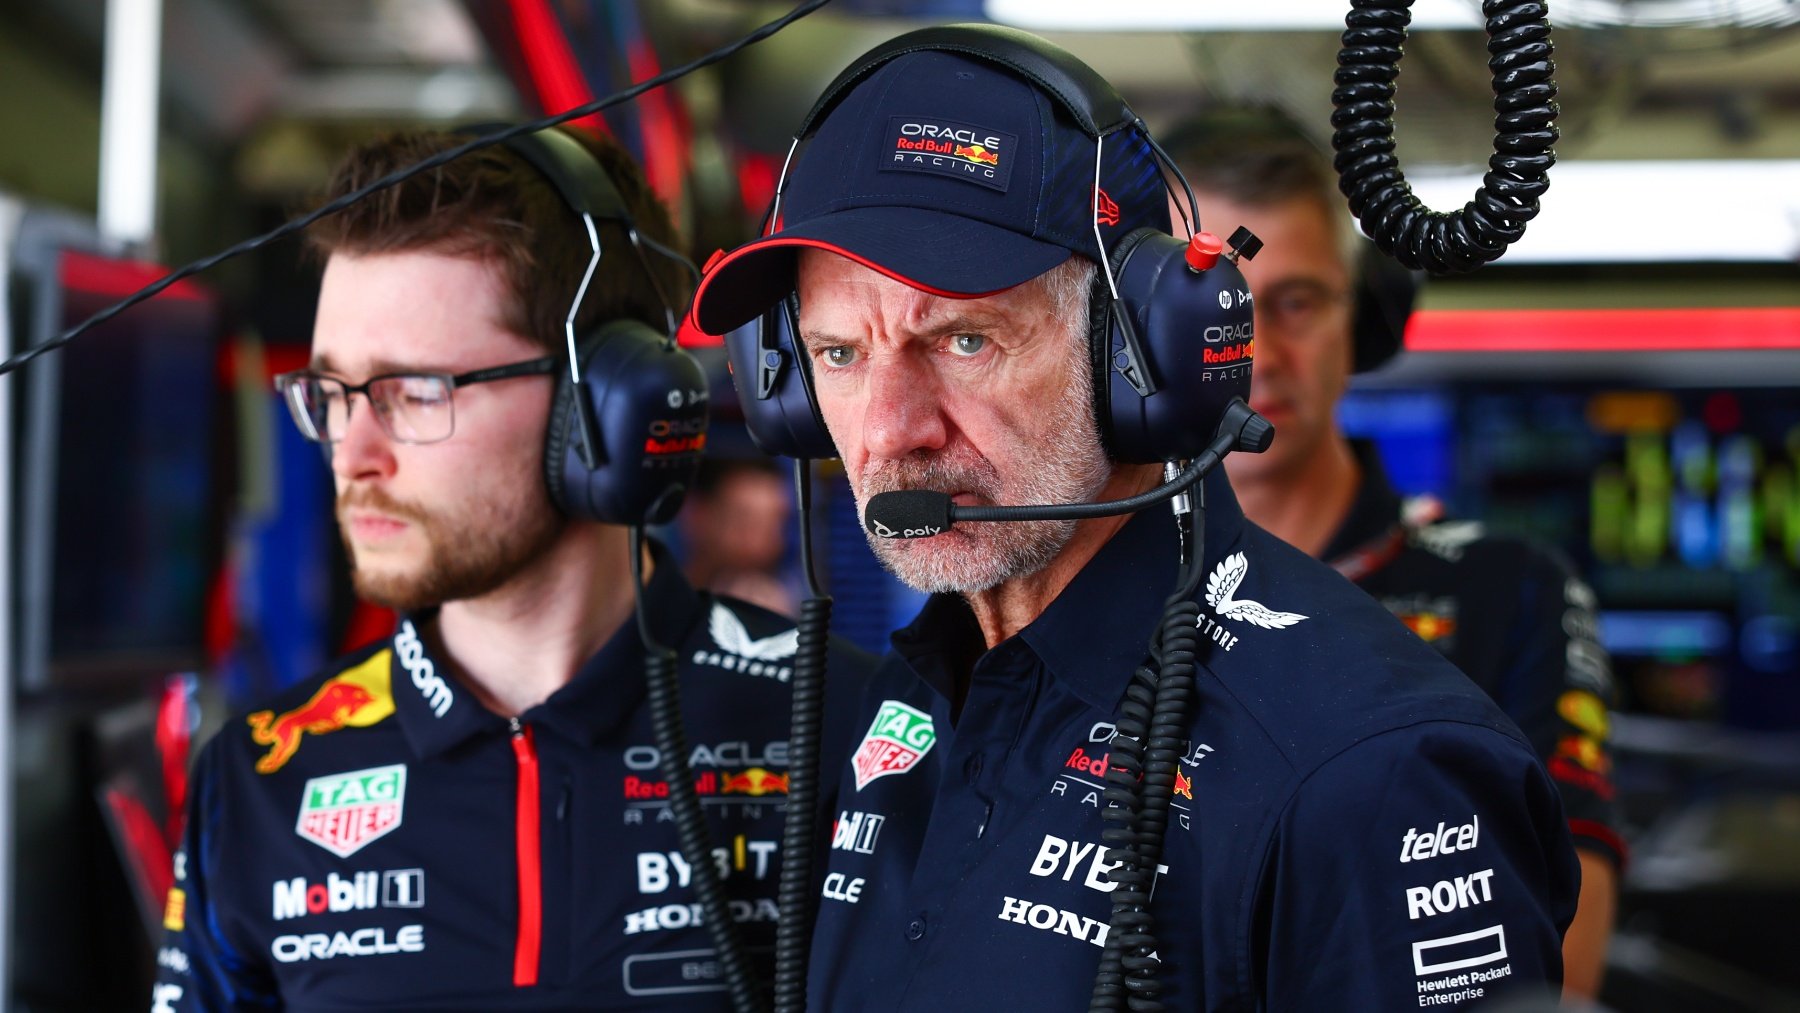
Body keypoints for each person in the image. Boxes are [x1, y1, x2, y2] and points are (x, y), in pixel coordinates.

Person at [690, 28, 1581, 1011]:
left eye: (966, 337)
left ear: (1145, 353)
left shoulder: (1370, 770)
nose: (891, 432)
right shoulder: (903, 704)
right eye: (841, 353)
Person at [150, 125, 869, 1010]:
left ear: (606, 400)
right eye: (333, 393)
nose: (354, 453)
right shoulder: (259, 777)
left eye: (414, 390)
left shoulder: (856, 729)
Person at [1163, 107, 1623, 1000]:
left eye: (1297, 301)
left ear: (1365, 317)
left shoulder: (1504, 588)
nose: (1258, 349)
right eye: (1217, 303)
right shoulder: (1083, 591)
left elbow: (1560, 954)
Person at [679, 456, 798, 616]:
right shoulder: (653, 602)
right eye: (744, 524)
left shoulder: (788, 605)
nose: (759, 547)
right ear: (696, 516)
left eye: (772, 527)